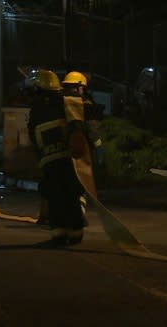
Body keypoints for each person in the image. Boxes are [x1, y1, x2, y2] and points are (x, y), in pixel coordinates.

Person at [27, 69, 85, 246]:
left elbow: (33, 135)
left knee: (55, 196)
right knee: (71, 194)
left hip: (49, 160)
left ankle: (59, 234)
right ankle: (76, 233)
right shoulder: (66, 103)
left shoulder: (37, 108)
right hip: (68, 158)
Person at [61, 70, 105, 225]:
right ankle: (79, 211)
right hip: (82, 151)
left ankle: (64, 215)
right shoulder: (84, 105)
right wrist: (99, 147)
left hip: (61, 151)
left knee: (65, 184)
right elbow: (93, 129)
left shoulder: (60, 104)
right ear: (81, 88)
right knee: (80, 183)